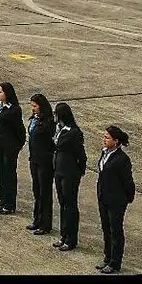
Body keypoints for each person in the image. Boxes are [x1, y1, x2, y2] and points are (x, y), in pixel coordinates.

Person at [96, 126, 136, 274]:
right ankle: (108, 257)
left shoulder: (122, 159)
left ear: (116, 141)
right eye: (104, 136)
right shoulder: (105, 152)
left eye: (107, 137)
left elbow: (127, 181)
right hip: (103, 197)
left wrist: (127, 198)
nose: (104, 139)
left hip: (116, 200)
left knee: (116, 231)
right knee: (106, 229)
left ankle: (115, 263)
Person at [52, 102, 88, 251]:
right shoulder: (60, 130)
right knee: (62, 204)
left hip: (69, 173)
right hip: (59, 171)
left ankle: (71, 239)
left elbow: (80, 154)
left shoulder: (73, 132)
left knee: (70, 205)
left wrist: (79, 171)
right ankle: (64, 235)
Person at [0, 82, 25, 214]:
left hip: (9, 146)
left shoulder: (14, 110)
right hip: (0, 144)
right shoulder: (0, 106)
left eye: (0, 92)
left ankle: (10, 203)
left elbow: (19, 130)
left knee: (9, 174)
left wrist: (17, 145)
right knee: (1, 173)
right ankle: (3, 200)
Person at [27, 93, 56, 235]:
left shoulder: (49, 122)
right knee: (37, 191)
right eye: (32, 106)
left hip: (44, 161)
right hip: (34, 159)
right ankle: (37, 219)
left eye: (35, 106)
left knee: (45, 192)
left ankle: (45, 223)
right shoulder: (34, 119)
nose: (33, 109)